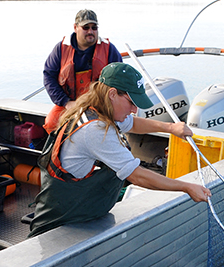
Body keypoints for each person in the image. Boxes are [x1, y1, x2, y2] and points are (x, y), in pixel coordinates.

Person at [29, 63, 211, 237]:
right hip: (61, 222)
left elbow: (132, 123)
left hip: (78, 210)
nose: (134, 110)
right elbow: (136, 176)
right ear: (113, 94)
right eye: (132, 102)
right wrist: (186, 187)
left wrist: (170, 128)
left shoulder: (95, 109)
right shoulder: (95, 130)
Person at [42, 9, 123, 133]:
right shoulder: (61, 48)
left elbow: (120, 80)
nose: (90, 31)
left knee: (102, 128)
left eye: (94, 27)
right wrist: (66, 102)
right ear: (75, 27)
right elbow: (49, 77)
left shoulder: (109, 49)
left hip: (100, 105)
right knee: (51, 122)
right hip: (69, 103)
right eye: (86, 27)